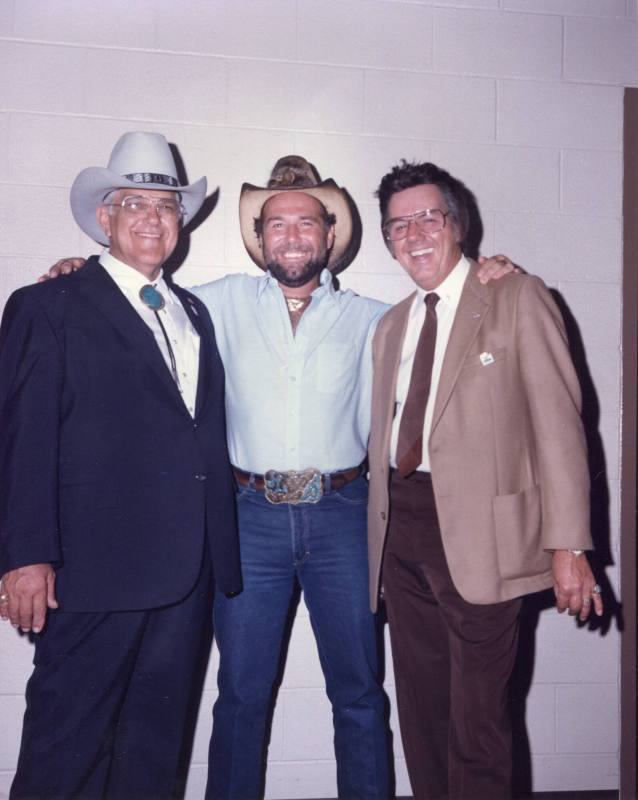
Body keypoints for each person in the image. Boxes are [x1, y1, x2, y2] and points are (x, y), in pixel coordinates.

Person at [38, 154, 516, 799]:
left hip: (345, 518)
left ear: (331, 238)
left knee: (358, 691)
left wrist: (491, 271)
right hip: (247, 520)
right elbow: (129, 299)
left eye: (308, 224)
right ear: (260, 239)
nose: (292, 237)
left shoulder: (379, 320)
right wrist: (78, 271)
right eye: (277, 225)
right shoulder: (210, 306)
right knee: (240, 692)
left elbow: (452, 316)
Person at [0, 131, 241, 800]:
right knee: (66, 748)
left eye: (165, 206)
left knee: (153, 753)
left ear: (180, 223)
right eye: (133, 203)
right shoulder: (49, 305)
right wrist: (24, 556)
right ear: (104, 218)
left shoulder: (194, 312)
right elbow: (23, 440)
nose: (151, 218)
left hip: (186, 575)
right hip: (92, 570)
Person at [366, 160, 604, 800]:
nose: (414, 234)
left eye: (427, 217)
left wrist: (569, 546)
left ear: (456, 223)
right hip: (403, 536)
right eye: (399, 225)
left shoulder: (517, 297)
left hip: (485, 540)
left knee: (478, 725)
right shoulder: (390, 326)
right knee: (422, 717)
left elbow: (560, 428)